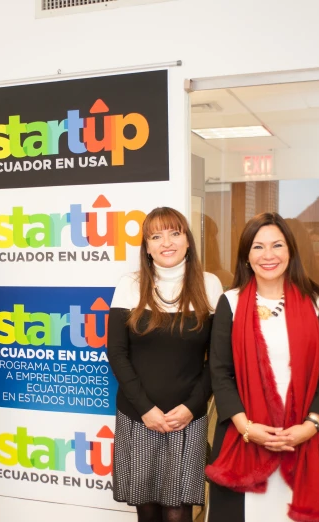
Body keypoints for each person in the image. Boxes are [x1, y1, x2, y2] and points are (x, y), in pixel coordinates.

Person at [206, 212, 319, 522]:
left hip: (306, 437)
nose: (268, 255)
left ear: (291, 251)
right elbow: (220, 372)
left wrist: (310, 426)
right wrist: (246, 427)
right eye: (258, 247)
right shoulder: (230, 302)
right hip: (243, 437)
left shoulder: (318, 301)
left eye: (277, 245)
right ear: (246, 255)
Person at [107, 207, 223, 522]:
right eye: (156, 236)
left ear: (188, 240)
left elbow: (219, 359)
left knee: (178, 511)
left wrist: (192, 406)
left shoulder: (209, 285)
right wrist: (145, 409)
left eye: (174, 233)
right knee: (145, 509)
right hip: (138, 414)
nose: (166, 242)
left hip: (188, 417)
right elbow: (117, 353)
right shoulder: (129, 284)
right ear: (146, 247)